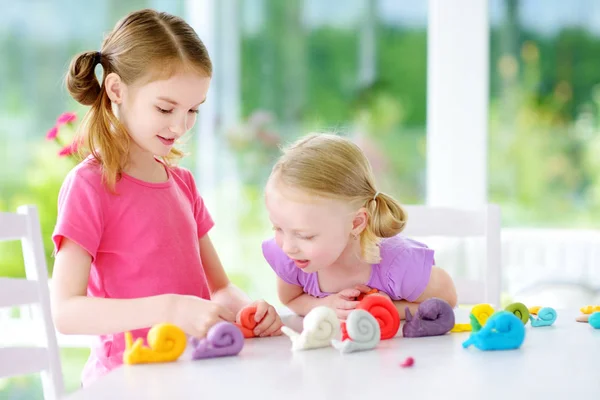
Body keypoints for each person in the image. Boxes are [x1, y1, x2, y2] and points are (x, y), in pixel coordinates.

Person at [50, 9, 282, 386]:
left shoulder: (183, 184)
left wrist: (247, 311)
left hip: (192, 372)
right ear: (116, 90)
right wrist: (171, 308)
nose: (180, 125)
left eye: (193, 110)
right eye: (165, 108)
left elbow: (219, 288)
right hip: (125, 381)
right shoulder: (89, 186)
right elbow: (66, 312)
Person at [262, 133, 457, 320]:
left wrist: (386, 309)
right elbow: (290, 299)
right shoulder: (292, 259)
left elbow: (447, 300)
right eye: (277, 228)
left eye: (305, 236)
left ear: (355, 223)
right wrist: (324, 305)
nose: (287, 246)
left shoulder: (397, 267)